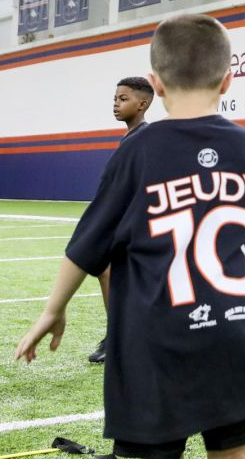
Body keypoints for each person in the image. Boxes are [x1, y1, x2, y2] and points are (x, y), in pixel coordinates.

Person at [16, 13, 245, 459]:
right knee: (235, 452)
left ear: (154, 85)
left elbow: (86, 244)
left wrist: (53, 310)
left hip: (155, 343)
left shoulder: (137, 151)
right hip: (236, 335)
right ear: (227, 81)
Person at [88, 76, 156, 364]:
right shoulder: (131, 136)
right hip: (128, 221)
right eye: (115, 99)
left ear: (142, 104)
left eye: (123, 99)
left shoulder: (146, 137)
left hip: (145, 223)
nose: (116, 104)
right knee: (106, 270)